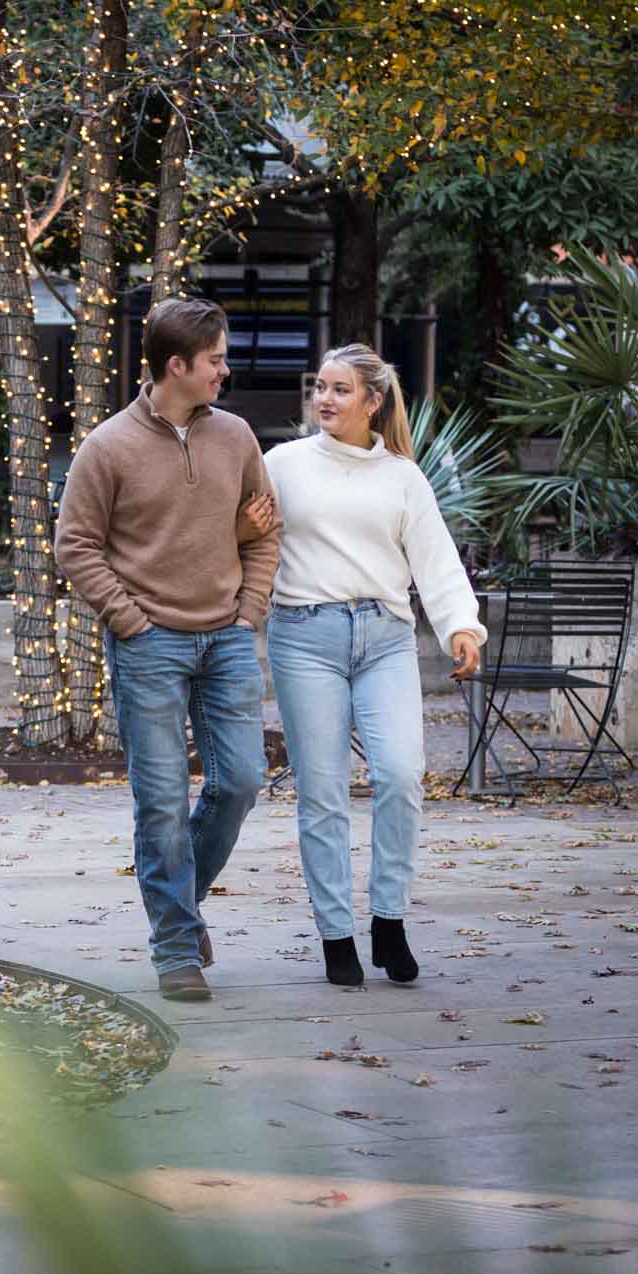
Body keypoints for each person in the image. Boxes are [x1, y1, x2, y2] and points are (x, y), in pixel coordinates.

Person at [57, 298, 281, 1002]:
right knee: (158, 802)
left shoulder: (237, 436)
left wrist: (248, 614)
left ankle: (183, 903)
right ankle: (176, 944)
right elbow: (75, 545)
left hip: (227, 640)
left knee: (241, 780)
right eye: (215, 359)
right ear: (176, 366)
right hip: (149, 645)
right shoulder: (109, 447)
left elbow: (267, 528)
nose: (225, 369)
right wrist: (129, 621)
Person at [240, 343, 484, 987]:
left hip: (384, 637)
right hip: (304, 637)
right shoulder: (282, 464)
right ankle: (335, 936)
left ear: (373, 402)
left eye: (341, 389)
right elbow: (244, 533)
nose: (325, 399)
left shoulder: (403, 476)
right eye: (320, 387)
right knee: (321, 793)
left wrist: (462, 625)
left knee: (402, 775)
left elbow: (435, 559)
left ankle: (390, 921)